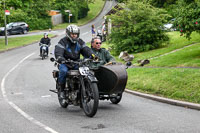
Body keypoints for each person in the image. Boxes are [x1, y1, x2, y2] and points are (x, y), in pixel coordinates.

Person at [54, 24, 95, 98]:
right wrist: (60, 58)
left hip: (77, 63)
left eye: (76, 34)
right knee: (63, 71)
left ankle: (86, 88)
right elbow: (58, 51)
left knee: (87, 71)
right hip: (65, 63)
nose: (74, 36)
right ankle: (62, 90)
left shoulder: (79, 41)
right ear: (68, 34)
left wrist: (92, 55)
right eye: (72, 34)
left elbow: (86, 49)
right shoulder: (63, 41)